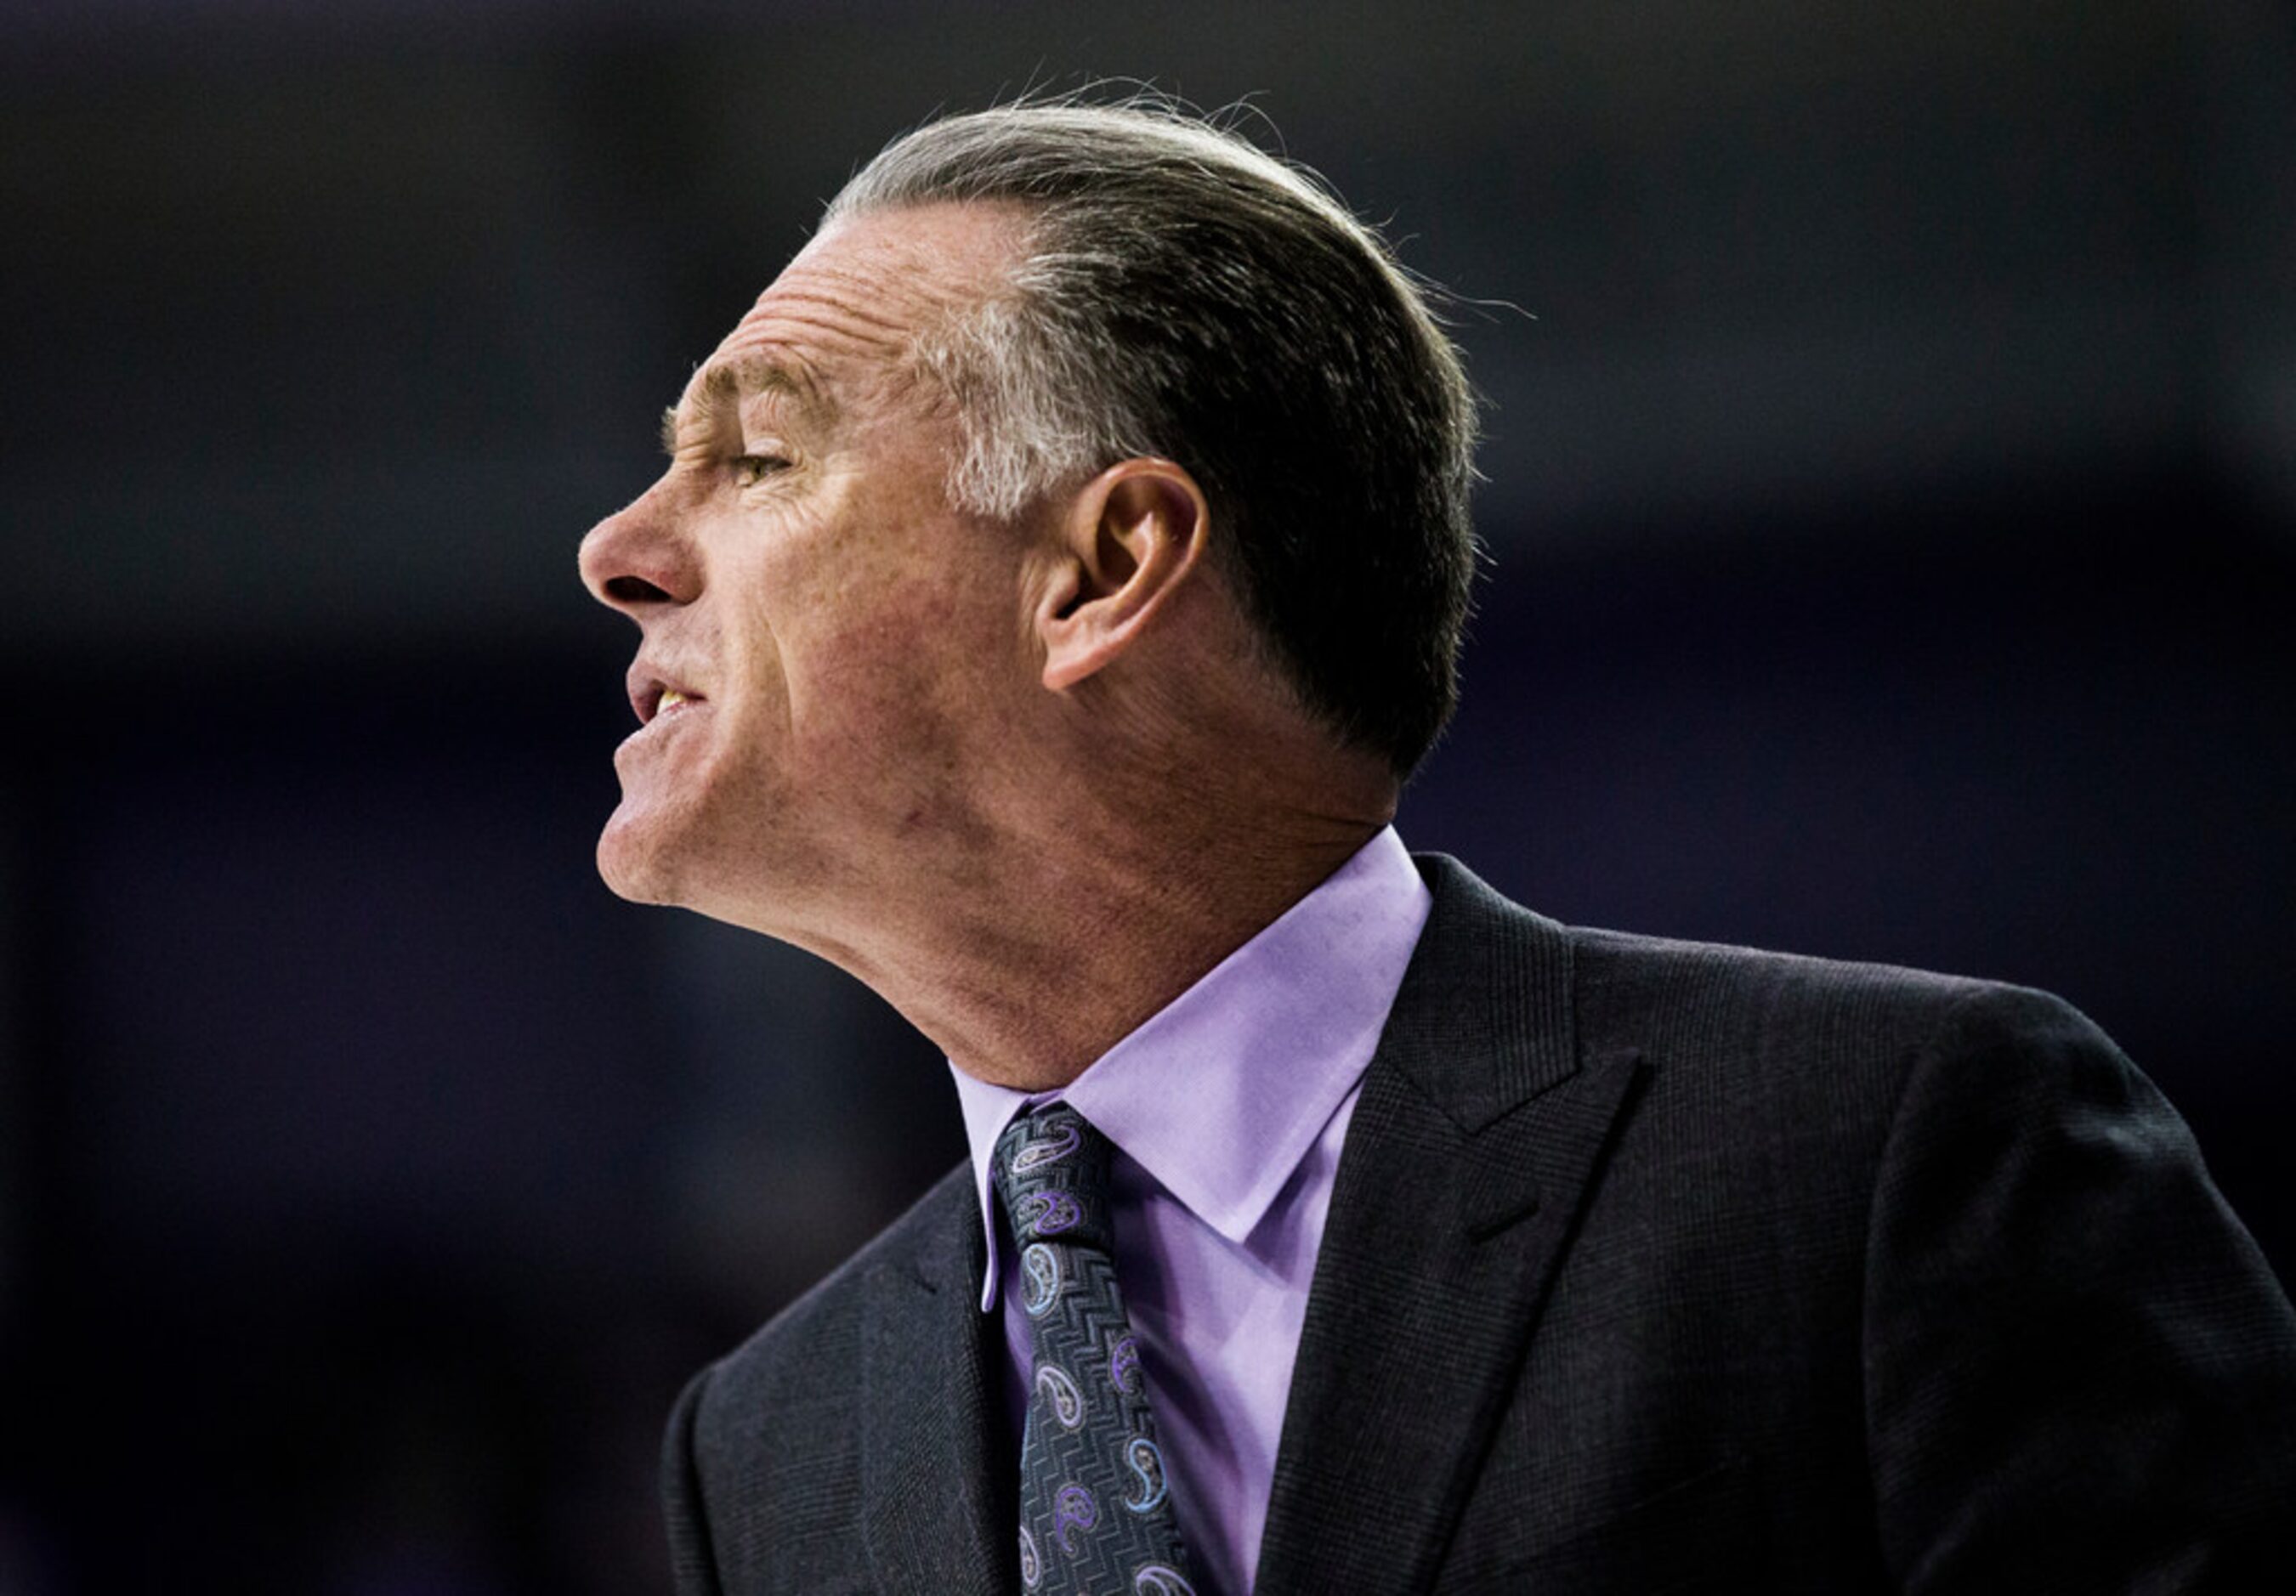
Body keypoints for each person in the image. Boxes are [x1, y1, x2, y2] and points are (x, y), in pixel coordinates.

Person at [577, 99, 2296, 1595]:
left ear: (1102, 574)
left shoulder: (1888, 1158)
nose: (621, 548)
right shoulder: (768, 1441)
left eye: (757, 457)